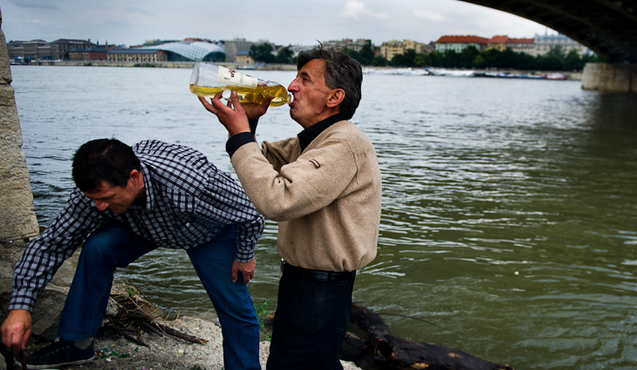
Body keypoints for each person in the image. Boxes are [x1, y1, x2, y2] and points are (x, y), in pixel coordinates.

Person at [1, 139, 265, 370]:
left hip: (206, 231)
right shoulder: (95, 196)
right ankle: (77, 345)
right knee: (97, 248)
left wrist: (244, 255)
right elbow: (52, 244)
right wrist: (20, 307)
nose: (99, 206)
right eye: (94, 199)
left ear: (134, 178)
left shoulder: (191, 183)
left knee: (235, 307)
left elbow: (250, 213)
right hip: (142, 224)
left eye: (106, 198)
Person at [199, 45, 381, 369]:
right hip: (305, 284)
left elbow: (277, 198)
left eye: (305, 79)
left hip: (320, 292)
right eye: (296, 77)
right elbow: (260, 165)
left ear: (334, 97)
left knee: (296, 363)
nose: (291, 86)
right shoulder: (312, 140)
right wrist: (248, 126)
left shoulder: (344, 144)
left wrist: (240, 134)